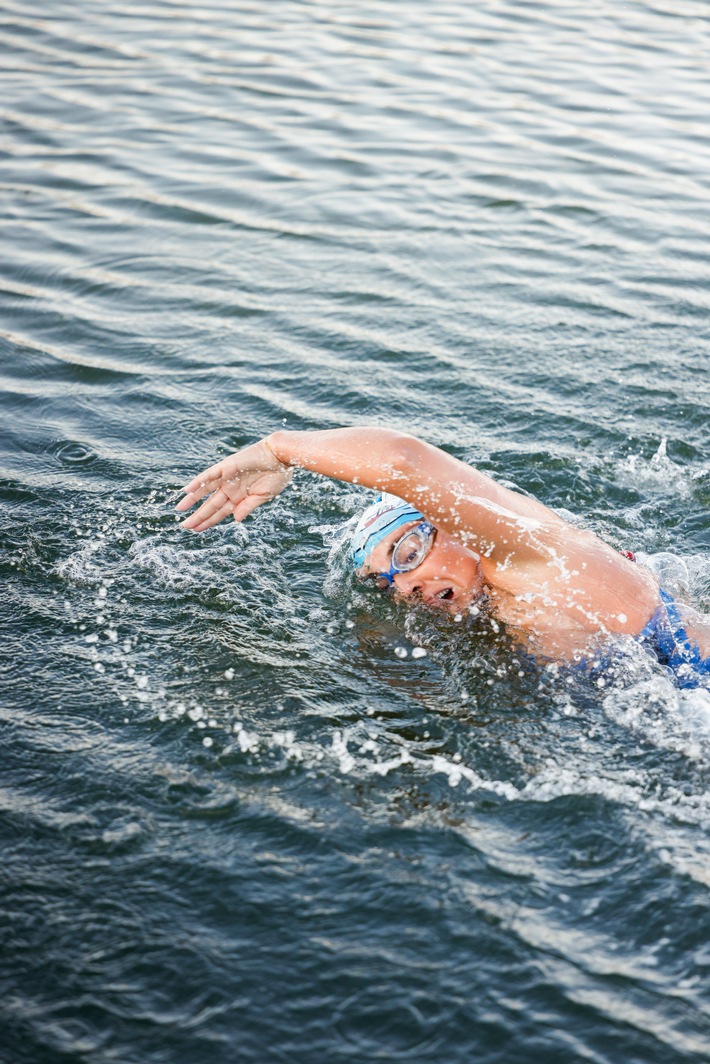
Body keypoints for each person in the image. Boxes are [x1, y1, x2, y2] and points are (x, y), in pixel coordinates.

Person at [176, 426, 709, 685]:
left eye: (407, 552)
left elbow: (403, 462)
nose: (404, 586)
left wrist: (278, 449)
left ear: (452, 527)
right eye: (390, 582)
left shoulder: (518, 553)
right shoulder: (496, 605)